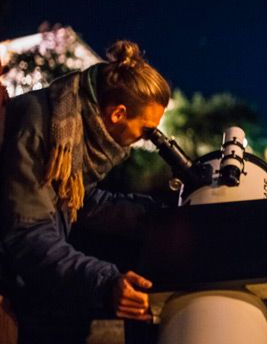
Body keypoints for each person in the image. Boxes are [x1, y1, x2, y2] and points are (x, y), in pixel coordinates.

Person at [0, 40, 171, 343]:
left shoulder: (71, 125)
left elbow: (79, 199)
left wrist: (159, 219)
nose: (147, 139)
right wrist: (106, 283)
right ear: (118, 113)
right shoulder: (40, 126)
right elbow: (27, 233)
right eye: (146, 130)